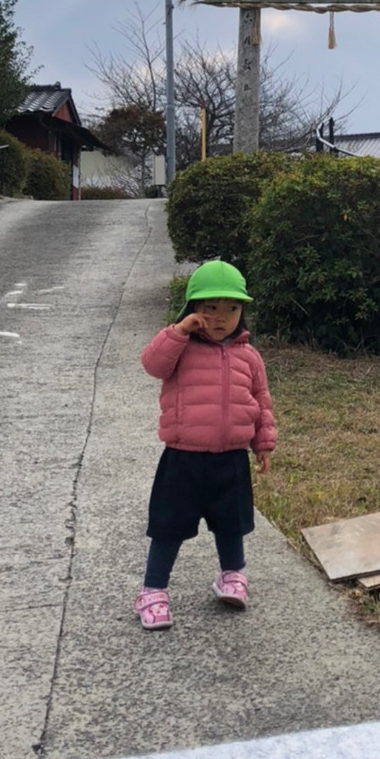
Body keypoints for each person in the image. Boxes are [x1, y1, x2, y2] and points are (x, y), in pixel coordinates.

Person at [135, 260, 276, 631]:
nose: (221, 317)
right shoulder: (180, 349)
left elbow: (261, 401)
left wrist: (263, 442)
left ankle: (232, 574)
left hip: (231, 459)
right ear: (193, 309)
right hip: (183, 459)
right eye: (210, 307)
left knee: (232, 524)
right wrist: (178, 331)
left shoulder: (249, 356)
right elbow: (152, 364)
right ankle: (153, 590)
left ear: (242, 312)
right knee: (168, 527)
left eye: (232, 308)